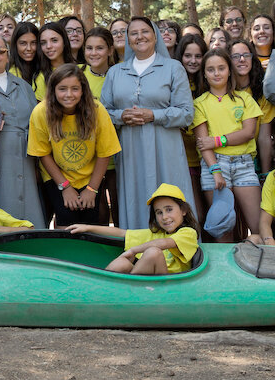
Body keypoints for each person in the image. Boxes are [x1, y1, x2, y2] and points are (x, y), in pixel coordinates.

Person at [101, 16, 194, 230]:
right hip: (130, 150)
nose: (139, 36)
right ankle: (137, 252)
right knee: (136, 195)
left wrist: (154, 115)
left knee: (169, 195)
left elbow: (187, 113)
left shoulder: (173, 68)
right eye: (133, 33)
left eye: (145, 31)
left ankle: (178, 248)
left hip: (166, 149)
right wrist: (121, 117)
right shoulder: (115, 72)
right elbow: (103, 113)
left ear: (155, 36)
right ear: (128, 39)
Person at [28, 64, 120, 227]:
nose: (69, 94)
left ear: (83, 90)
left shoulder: (97, 111)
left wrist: (92, 189)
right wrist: (65, 187)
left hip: (89, 177)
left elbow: (105, 152)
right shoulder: (41, 112)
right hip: (57, 176)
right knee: (66, 220)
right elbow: (43, 153)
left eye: (75, 89)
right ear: (53, 90)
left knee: (90, 224)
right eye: (62, 89)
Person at [0, 34, 45, 229]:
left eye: (1, 51)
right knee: (2, 205)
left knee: (30, 209)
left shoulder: (23, 85)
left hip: (27, 157)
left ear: (8, 56)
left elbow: (36, 121)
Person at [193, 48, 262, 240]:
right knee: (223, 231)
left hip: (244, 165)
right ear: (204, 74)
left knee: (258, 228)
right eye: (211, 69)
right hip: (214, 166)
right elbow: (202, 143)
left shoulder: (244, 98)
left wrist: (217, 140)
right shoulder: (199, 103)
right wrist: (215, 170)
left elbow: (248, 133)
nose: (216, 73)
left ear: (229, 70)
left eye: (221, 68)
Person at [68, 184, 199, 275]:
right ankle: (99, 289)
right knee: (122, 263)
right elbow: (122, 233)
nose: (164, 217)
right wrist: (87, 227)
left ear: (183, 210)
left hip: (167, 286)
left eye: (169, 210)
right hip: (147, 281)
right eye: (159, 212)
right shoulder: (156, 233)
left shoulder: (188, 233)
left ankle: (130, 288)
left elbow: (164, 243)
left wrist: (133, 250)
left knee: (153, 252)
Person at [82, 27, 120, 226]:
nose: (94, 53)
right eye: (89, 48)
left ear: (110, 50)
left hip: (116, 158)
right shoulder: (78, 75)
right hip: (87, 160)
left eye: (99, 48)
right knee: (98, 215)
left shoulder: (121, 74)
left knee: (120, 210)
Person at [173, 34, 208, 224]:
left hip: (210, 158)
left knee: (214, 215)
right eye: (188, 56)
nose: (193, 61)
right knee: (197, 214)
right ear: (180, 56)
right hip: (184, 159)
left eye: (198, 56)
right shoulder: (173, 82)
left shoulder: (209, 82)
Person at [228, 38, 273, 174]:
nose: (242, 59)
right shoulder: (223, 91)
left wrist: (265, 174)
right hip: (227, 157)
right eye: (236, 56)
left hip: (254, 157)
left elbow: (264, 137)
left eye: (246, 55)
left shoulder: (262, 92)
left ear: (252, 59)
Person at [33, 22, 75, 101]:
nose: (48, 46)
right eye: (43, 43)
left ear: (64, 42)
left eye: (54, 40)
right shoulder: (40, 77)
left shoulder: (80, 69)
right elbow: (41, 112)